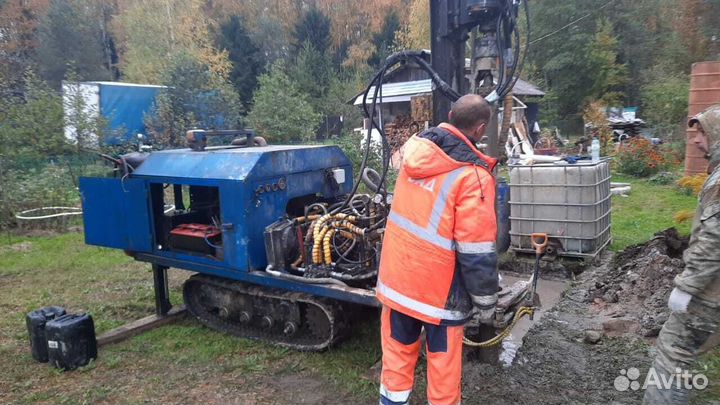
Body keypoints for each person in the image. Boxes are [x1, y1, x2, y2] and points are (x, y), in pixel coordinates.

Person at [376, 94, 499, 405]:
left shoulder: (412, 154)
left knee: (396, 366)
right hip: (439, 298)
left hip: (398, 284)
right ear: (481, 129)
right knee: (443, 376)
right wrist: (487, 304)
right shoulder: (473, 178)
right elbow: (477, 252)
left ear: (448, 115)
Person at [643, 105, 720, 404]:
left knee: (673, 356)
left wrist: (686, 287)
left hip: (709, 294)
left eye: (702, 133)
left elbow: (714, 241)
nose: (696, 140)